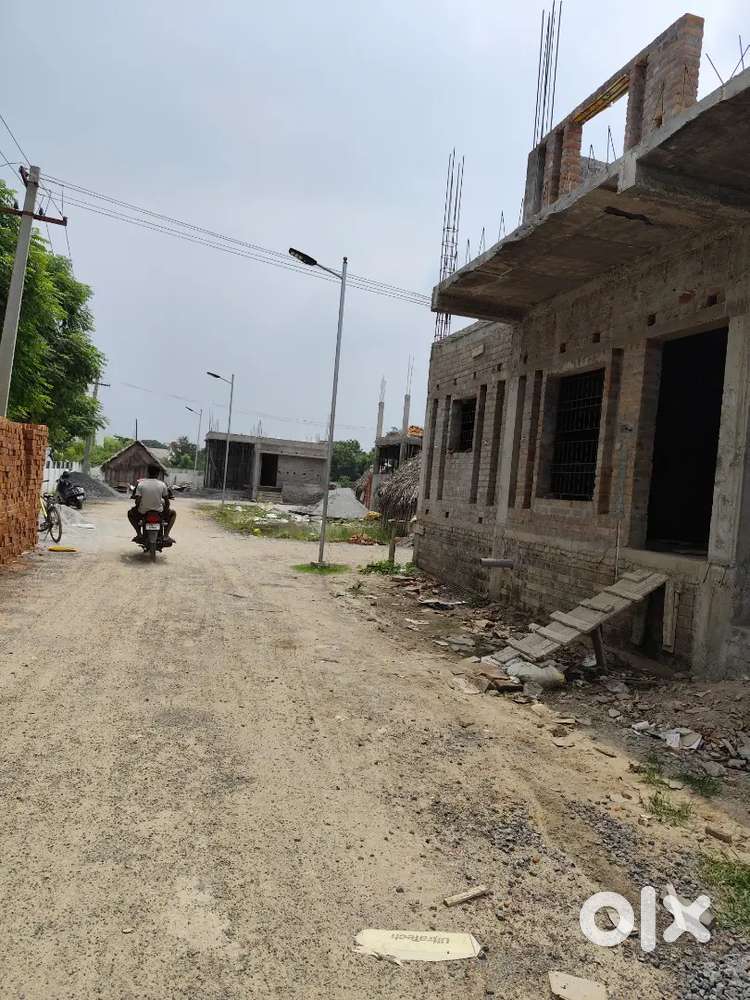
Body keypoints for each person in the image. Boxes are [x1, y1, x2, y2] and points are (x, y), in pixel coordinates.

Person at [127, 465, 176, 542]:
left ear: (148, 472)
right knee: (173, 513)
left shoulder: (141, 484)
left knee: (130, 513)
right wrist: (165, 511)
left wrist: (138, 507)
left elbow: (137, 501)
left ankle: (139, 534)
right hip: (159, 512)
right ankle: (166, 536)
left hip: (143, 512)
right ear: (158, 474)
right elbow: (167, 501)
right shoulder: (162, 484)